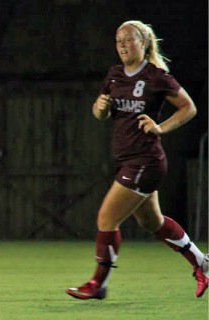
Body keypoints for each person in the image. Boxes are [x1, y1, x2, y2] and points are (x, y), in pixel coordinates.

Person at [66, 20, 208, 300]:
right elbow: (100, 113)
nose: (122, 45)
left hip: (146, 161)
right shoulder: (115, 75)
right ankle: (202, 262)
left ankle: (99, 283)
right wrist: (100, 107)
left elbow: (188, 108)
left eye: (128, 39)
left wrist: (160, 127)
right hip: (128, 160)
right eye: (118, 40)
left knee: (106, 218)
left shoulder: (156, 76)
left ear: (143, 43)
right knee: (153, 222)